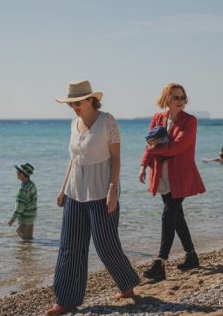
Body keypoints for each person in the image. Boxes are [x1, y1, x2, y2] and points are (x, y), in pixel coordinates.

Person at [47, 80, 139, 316]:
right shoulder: (74, 123)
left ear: (90, 100)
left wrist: (112, 190)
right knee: (70, 247)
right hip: (74, 192)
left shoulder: (107, 121)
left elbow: (116, 159)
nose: (74, 107)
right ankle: (66, 299)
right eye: (71, 104)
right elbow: (73, 159)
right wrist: (62, 189)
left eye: (77, 103)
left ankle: (127, 285)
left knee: (105, 244)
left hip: (101, 192)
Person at [139, 83, 206, 281]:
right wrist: (144, 165)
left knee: (168, 215)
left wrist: (153, 150)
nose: (179, 101)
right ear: (167, 98)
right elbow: (149, 143)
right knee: (177, 216)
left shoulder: (190, 121)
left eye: (182, 97)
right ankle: (191, 256)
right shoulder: (158, 118)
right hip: (161, 173)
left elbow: (178, 147)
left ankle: (160, 263)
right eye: (175, 97)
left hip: (181, 175)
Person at [8, 163, 37, 241]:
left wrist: (13, 219)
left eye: (18, 172)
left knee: (25, 239)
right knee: (28, 239)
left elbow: (20, 206)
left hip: (25, 217)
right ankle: (28, 252)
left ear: (24, 174)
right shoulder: (32, 185)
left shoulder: (23, 189)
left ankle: (25, 253)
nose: (16, 173)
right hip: (31, 216)